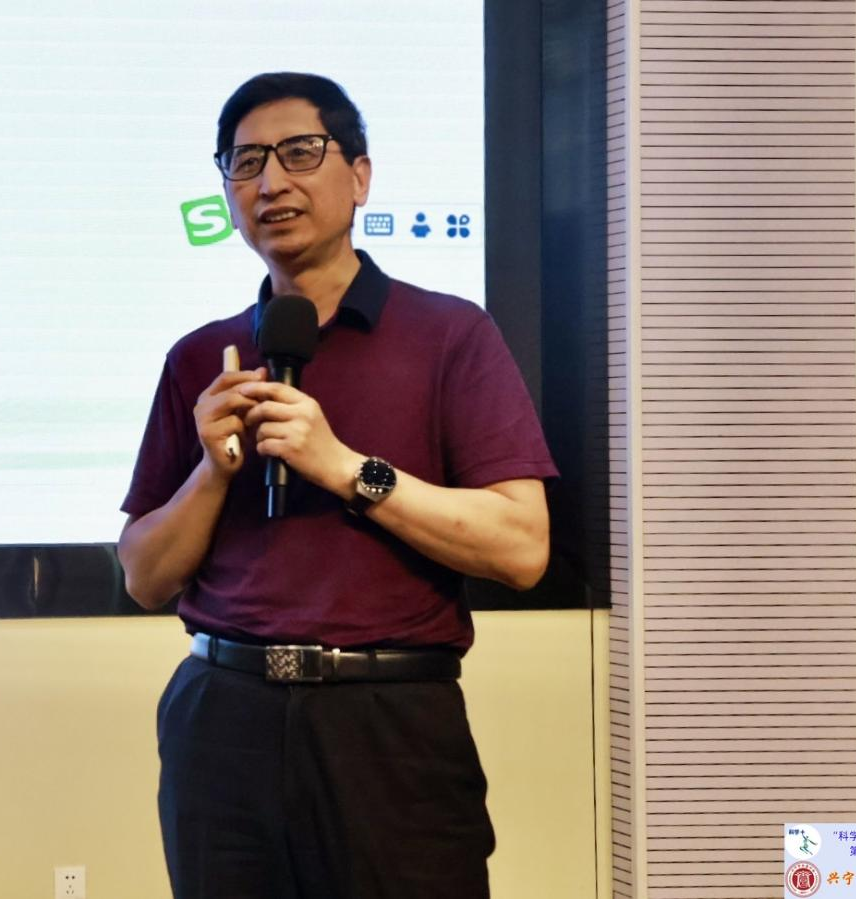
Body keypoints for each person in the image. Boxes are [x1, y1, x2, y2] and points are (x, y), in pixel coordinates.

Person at [117, 72, 556, 899]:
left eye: (299, 153)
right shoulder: (201, 358)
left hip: (386, 720)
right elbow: (143, 574)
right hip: (221, 715)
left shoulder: (450, 333)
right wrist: (213, 470)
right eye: (246, 162)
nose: (270, 182)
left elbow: (522, 546)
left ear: (359, 177)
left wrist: (344, 468)